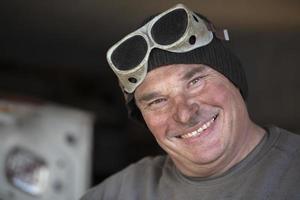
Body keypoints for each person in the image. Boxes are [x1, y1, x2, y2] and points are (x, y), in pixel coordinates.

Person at [81, 3, 300, 199]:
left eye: (195, 82)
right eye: (157, 101)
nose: (185, 114)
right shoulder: (124, 191)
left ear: (234, 79)